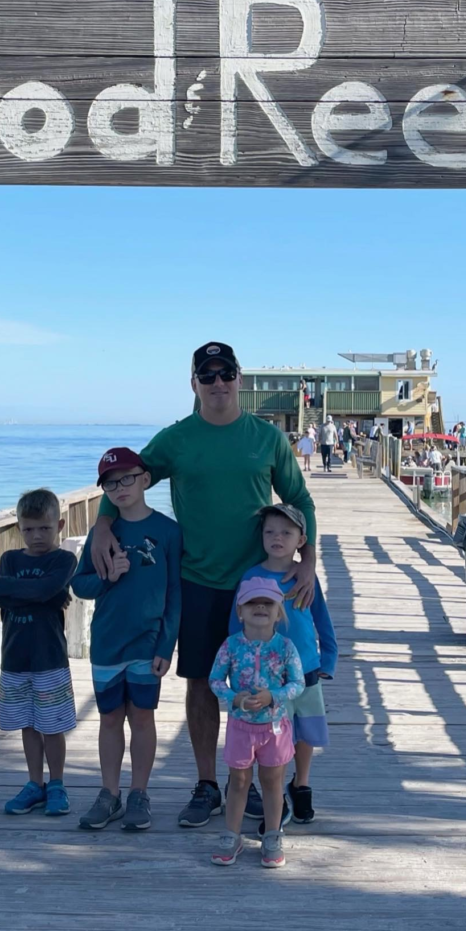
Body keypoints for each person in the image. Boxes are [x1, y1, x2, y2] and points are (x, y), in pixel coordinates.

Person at [87, 343, 317, 829]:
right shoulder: (176, 439)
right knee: (200, 682)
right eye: (207, 375)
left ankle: (247, 780)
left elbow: (299, 498)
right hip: (195, 580)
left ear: (239, 378)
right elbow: (127, 477)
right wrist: (103, 525)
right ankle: (208, 783)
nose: (217, 383)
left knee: (262, 680)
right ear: (193, 383)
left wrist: (309, 557)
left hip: (257, 584)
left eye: (225, 373)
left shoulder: (266, 438)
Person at [71, 448, 182, 831]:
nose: (120, 488)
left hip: (147, 644)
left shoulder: (169, 532)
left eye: (128, 478)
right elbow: (80, 584)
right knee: (109, 718)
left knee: (142, 717)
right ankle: (109, 793)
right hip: (107, 643)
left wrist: (166, 645)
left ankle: (139, 793)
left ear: (145, 479)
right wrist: (108, 577)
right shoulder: (101, 534)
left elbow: (174, 594)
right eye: (110, 483)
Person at [233, 504, 337, 828]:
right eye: (270, 532)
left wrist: (328, 657)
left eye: (286, 533)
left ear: (301, 540)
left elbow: (322, 618)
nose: (277, 538)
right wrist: (236, 665)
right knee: (276, 736)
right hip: (268, 676)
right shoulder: (252, 576)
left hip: (306, 667)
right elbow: (236, 624)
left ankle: (300, 784)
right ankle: (275, 800)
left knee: (305, 731)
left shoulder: (306, 576)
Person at [0, 489, 78, 817]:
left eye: (44, 528)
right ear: (19, 528)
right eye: (28, 529)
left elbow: (27, 589)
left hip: (49, 658)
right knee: (27, 724)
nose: (36, 535)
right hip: (15, 658)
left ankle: (57, 784)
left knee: (52, 726)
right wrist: (44, 595)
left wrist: (17, 590)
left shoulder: (64, 560)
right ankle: (34, 783)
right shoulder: (10, 559)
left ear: (59, 525)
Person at [209, 577, 304, 869]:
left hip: (274, 727)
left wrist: (273, 696)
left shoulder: (286, 647)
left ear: (278, 612)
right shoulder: (230, 646)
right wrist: (234, 699)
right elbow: (215, 680)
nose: (260, 607)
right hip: (240, 727)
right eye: (252, 602)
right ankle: (231, 835)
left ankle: (273, 835)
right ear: (240, 611)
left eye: (267, 603)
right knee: (238, 781)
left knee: (272, 781)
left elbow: (298, 684)